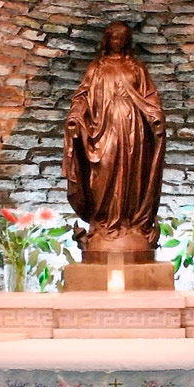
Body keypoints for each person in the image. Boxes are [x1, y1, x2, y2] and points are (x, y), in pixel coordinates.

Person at [63, 21, 166, 263]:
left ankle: (130, 224)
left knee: (131, 176)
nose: (117, 42)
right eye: (114, 38)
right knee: (103, 173)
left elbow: (150, 97)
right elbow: (82, 97)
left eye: (122, 38)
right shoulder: (97, 68)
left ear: (127, 41)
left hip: (133, 129)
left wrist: (156, 116)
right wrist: (75, 117)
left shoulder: (136, 68)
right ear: (107, 40)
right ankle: (103, 223)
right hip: (103, 128)